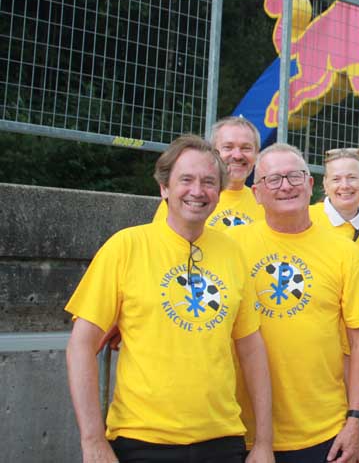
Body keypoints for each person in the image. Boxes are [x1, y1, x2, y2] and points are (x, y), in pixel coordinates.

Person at [65, 134, 274, 463]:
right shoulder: (125, 247)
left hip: (222, 440)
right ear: (164, 188)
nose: (197, 191)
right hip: (142, 441)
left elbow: (251, 349)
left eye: (208, 182)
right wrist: (92, 440)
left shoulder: (232, 253)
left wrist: (263, 442)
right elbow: (81, 345)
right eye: (186, 180)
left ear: (220, 192)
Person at [230, 143, 359, 463]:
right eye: (273, 179)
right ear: (256, 193)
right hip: (240, 428)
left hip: (322, 430)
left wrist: (354, 419)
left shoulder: (345, 253)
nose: (286, 186)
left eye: (295, 176)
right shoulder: (231, 247)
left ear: (310, 185)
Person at [153, 116, 265, 229]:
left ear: (257, 154)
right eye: (228, 147)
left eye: (246, 148)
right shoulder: (186, 198)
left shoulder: (265, 202)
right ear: (213, 153)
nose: (237, 156)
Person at [310, 148, 359, 263]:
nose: (345, 186)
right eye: (336, 179)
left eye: (352, 178)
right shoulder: (306, 218)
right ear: (325, 184)